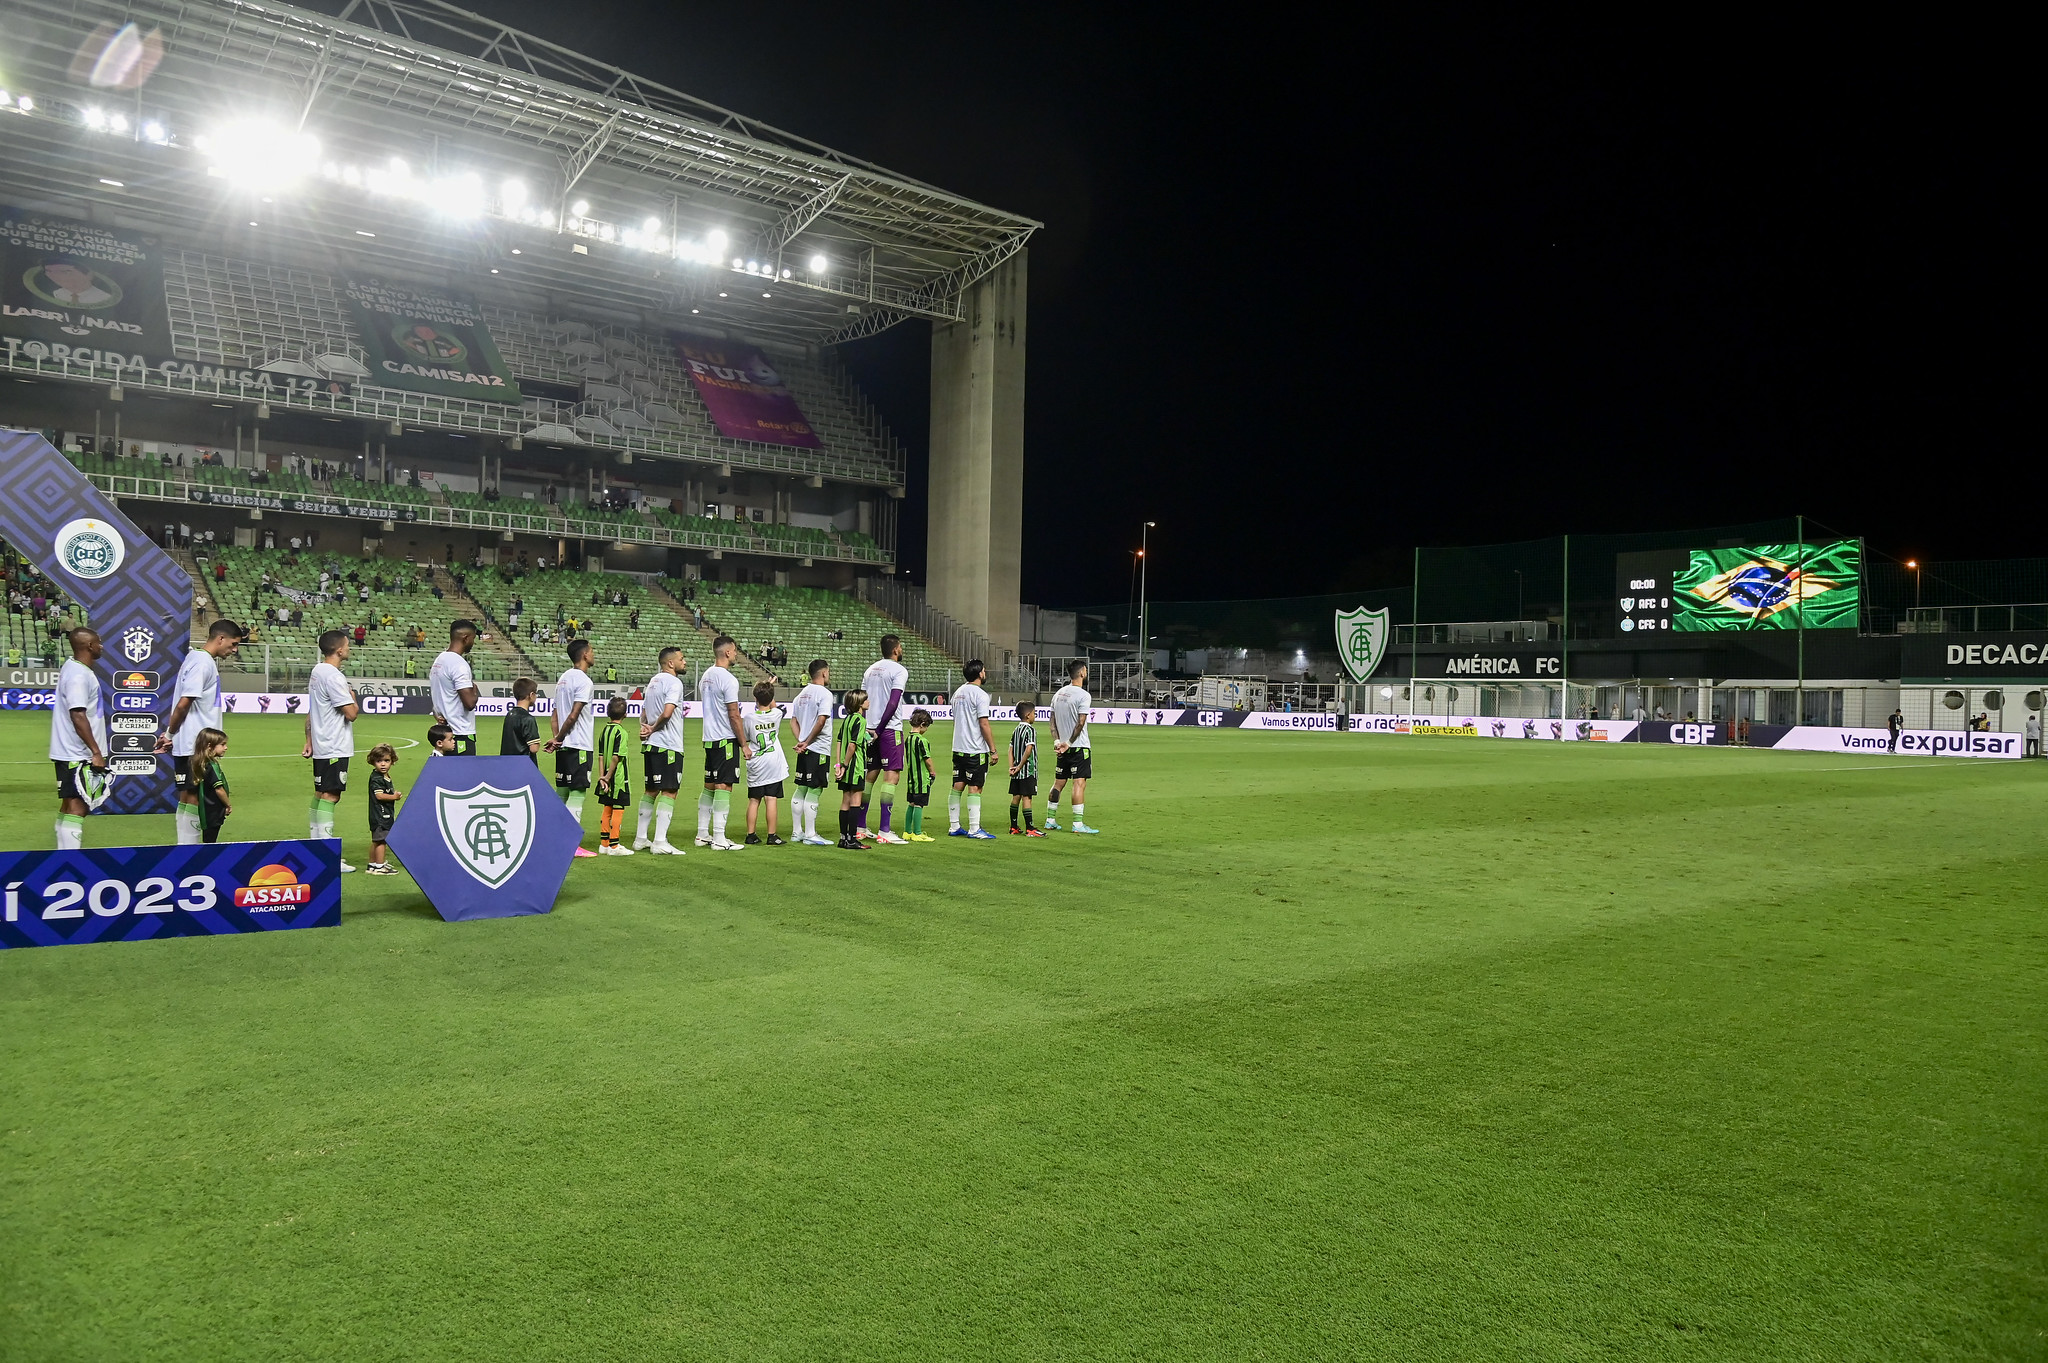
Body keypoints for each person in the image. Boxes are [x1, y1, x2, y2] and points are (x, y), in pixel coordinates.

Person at [159, 619, 242, 845]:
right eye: (233, 644)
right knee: (196, 798)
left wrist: (172, 736)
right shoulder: (203, 663)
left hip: (190, 743)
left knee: (187, 796)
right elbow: (184, 703)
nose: (234, 650)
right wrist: (169, 735)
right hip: (196, 745)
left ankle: (185, 849)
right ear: (220, 638)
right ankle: (191, 854)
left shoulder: (194, 659)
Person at [303, 628, 360, 871]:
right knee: (331, 795)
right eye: (347, 645)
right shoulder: (334, 676)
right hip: (335, 744)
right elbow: (351, 714)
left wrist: (308, 739)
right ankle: (327, 855)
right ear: (338, 649)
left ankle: (317, 850)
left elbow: (312, 711)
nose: (349, 648)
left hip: (322, 743)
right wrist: (352, 695)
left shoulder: (317, 671)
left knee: (320, 793)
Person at [50, 628, 108, 850]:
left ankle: (63, 855)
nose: (101, 646)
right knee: (78, 807)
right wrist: (95, 752)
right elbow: (78, 714)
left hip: (69, 751)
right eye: (98, 642)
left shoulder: (73, 668)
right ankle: (70, 858)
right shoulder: (78, 675)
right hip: (77, 753)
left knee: (69, 805)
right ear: (89, 646)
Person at [546, 639, 600, 858]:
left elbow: (555, 716)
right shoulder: (584, 681)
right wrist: (560, 738)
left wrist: (556, 739)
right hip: (578, 745)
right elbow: (573, 715)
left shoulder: (563, 679)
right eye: (592, 651)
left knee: (562, 791)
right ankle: (571, 844)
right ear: (585, 655)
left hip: (564, 746)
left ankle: (554, 839)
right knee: (577, 791)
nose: (594, 655)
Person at [695, 634, 750, 850]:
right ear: (727, 652)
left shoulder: (706, 676)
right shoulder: (728, 679)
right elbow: (734, 715)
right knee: (724, 786)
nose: (736, 654)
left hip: (709, 738)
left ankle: (702, 834)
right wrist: (744, 743)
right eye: (735, 650)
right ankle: (719, 838)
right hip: (725, 739)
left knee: (709, 786)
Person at [634, 646, 689, 855]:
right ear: (671, 663)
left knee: (650, 791)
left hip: (651, 744)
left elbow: (644, 712)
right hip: (668, 744)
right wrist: (654, 728)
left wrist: (645, 729)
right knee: (670, 791)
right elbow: (667, 713)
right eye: (682, 659)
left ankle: (641, 838)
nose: (684, 662)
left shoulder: (653, 682)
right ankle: (659, 841)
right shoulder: (674, 682)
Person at [858, 635, 910, 844]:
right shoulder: (899, 670)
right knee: (891, 777)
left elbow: (862, 700)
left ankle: (860, 827)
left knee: (870, 776)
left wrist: (866, 727)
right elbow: (894, 702)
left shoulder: (870, 670)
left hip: (869, 728)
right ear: (896, 649)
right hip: (888, 730)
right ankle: (884, 830)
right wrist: (880, 728)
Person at [1047, 660, 1099, 834]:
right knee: (1079, 783)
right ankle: (1077, 824)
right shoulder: (1083, 695)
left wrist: (1057, 741)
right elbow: (1080, 723)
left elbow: (1052, 722)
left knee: (1058, 783)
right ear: (1082, 672)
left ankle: (1050, 820)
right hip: (1077, 747)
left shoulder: (1059, 694)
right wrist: (1069, 743)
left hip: (1061, 748)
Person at [948, 660, 998, 839]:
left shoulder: (957, 693)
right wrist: (993, 749)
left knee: (957, 785)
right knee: (975, 787)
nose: (985, 673)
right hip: (975, 749)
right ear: (980, 674)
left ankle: (954, 826)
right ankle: (974, 829)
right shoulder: (981, 695)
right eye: (984, 670)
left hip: (958, 747)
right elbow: (983, 723)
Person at [788, 660, 835, 846]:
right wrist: (807, 742)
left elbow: (792, 721)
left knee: (801, 787)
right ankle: (810, 834)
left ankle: (796, 831)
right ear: (823, 673)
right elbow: (821, 720)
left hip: (805, 749)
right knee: (815, 789)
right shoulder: (825, 694)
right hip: (818, 748)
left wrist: (801, 741)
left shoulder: (800, 695)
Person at [743, 680, 788, 846]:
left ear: (755, 698)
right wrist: (769, 688)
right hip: (773, 762)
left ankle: (750, 834)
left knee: (754, 800)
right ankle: (772, 835)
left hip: (756, 761)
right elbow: (773, 704)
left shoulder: (749, 718)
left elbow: (746, 738)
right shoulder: (776, 714)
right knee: (771, 799)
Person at [429, 620, 481, 754]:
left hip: (443, 734)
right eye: (473, 639)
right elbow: (469, 703)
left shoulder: (439, 660)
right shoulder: (459, 664)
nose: (473, 643)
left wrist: (438, 712)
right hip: (460, 734)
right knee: (465, 775)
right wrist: (475, 692)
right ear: (466, 638)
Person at [832, 688, 870, 850]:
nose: (868, 702)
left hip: (845, 767)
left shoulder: (847, 719)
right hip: (855, 766)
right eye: (866, 700)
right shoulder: (861, 721)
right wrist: (847, 765)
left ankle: (843, 838)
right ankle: (852, 839)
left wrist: (839, 765)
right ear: (860, 704)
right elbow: (852, 745)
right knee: (855, 801)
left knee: (845, 801)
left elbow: (840, 742)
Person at [595, 697, 634, 855]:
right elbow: (616, 757)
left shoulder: (604, 731)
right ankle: (614, 845)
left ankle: (604, 844)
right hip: (617, 778)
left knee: (607, 807)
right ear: (625, 714)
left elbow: (601, 756)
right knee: (618, 808)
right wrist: (609, 776)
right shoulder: (621, 733)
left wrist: (602, 777)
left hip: (605, 776)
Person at [1008, 696, 1044, 836]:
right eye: (1034, 713)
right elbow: (1029, 750)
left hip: (1016, 771)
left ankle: (1013, 827)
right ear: (1028, 715)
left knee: (1016, 796)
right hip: (1027, 770)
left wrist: (1012, 767)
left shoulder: (1016, 730)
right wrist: (1020, 766)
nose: (1035, 716)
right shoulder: (1030, 730)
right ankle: (1030, 828)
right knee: (1027, 797)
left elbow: (1010, 750)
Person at [901, 709, 938, 842]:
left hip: (911, 778)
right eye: (926, 726)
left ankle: (907, 832)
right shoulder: (921, 740)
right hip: (921, 778)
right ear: (922, 724)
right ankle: (917, 833)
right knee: (919, 805)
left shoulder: (908, 739)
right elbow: (927, 759)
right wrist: (933, 772)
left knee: (911, 803)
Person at [191, 728, 232, 844]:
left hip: (206, 809)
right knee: (210, 842)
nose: (226, 748)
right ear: (210, 746)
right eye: (223, 744)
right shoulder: (211, 765)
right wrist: (228, 804)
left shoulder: (200, 763)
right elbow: (219, 789)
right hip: (213, 810)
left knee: (208, 839)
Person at [365, 743, 401, 874]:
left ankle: (372, 864)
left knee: (376, 840)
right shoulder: (377, 778)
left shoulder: (384, 776)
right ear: (373, 762)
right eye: (379, 761)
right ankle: (380, 867)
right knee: (381, 841)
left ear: (392, 761)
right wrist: (394, 797)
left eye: (386, 761)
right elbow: (379, 796)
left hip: (380, 814)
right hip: (381, 815)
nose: (383, 764)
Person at [501, 677, 543, 762]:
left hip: (508, 764)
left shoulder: (509, 715)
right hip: (524, 766)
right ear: (531, 695)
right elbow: (534, 748)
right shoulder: (528, 718)